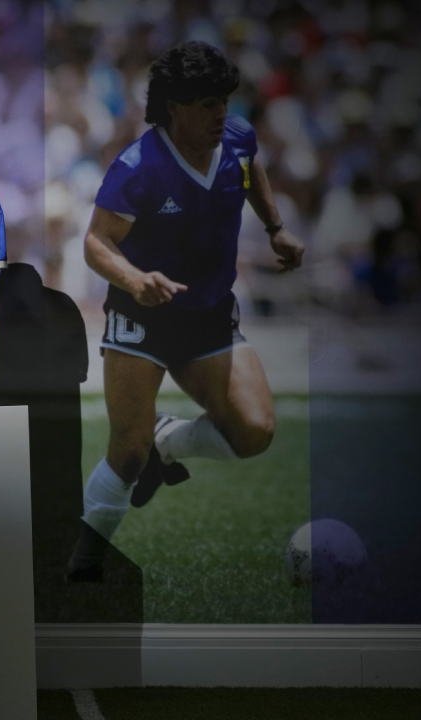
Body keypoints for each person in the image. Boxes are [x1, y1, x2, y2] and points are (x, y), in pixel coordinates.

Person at [67, 42, 306, 581]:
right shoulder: (137, 168)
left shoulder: (237, 139)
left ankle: (167, 440)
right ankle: (86, 556)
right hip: (141, 317)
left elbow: (253, 173)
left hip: (209, 316)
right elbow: (95, 245)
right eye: (206, 104)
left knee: (254, 431)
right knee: (126, 455)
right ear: (175, 107)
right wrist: (134, 279)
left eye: (224, 100)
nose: (221, 113)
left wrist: (275, 228)